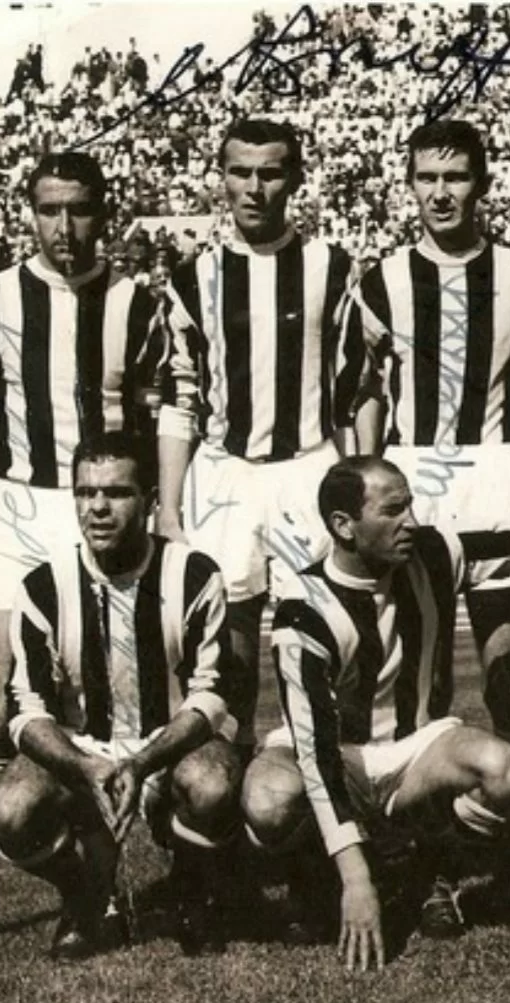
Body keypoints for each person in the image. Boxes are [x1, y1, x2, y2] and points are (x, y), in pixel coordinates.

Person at [0, 152, 164, 950]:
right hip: (16, 507)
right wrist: (14, 477)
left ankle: (94, 891)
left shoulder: (135, 302)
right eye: (50, 209)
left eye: (81, 209)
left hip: (95, 508)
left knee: (84, 708)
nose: (65, 226)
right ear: (30, 211)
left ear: (106, 213)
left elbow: (153, 416)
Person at [240, 455, 510, 971]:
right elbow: (316, 752)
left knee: (506, 769)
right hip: (337, 754)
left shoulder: (433, 553)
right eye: (393, 511)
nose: (412, 522)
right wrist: (356, 880)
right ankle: (318, 874)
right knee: (266, 800)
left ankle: (431, 867)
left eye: (411, 506)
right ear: (344, 526)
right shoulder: (303, 609)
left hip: (415, 750)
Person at [345, 119, 510, 751]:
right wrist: (366, 474)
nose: (441, 193)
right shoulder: (383, 280)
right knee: (423, 671)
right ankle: (425, 799)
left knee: (509, 667)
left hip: (495, 473)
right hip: (414, 477)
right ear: (410, 185)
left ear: (483, 184)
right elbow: (367, 390)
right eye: (427, 178)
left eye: (456, 177)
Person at [0, 431, 241, 959]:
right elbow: (25, 711)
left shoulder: (195, 574)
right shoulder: (42, 588)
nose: (97, 507)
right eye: (85, 492)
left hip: (171, 742)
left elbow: (211, 695)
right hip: (85, 746)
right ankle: (84, 893)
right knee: (11, 809)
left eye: (117, 492)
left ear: (150, 500)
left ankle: (190, 888)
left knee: (212, 782)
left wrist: (144, 762)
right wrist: (84, 765)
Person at [157, 118, 359, 757]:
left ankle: (327, 793)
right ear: (221, 177)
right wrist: (169, 508)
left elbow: (355, 389)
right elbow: (180, 400)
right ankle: (232, 790)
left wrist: (355, 483)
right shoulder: (194, 277)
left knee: (322, 643)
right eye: (240, 172)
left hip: (308, 466)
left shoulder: (333, 268)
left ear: (294, 178)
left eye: (269, 173)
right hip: (227, 472)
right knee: (228, 648)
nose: (254, 187)